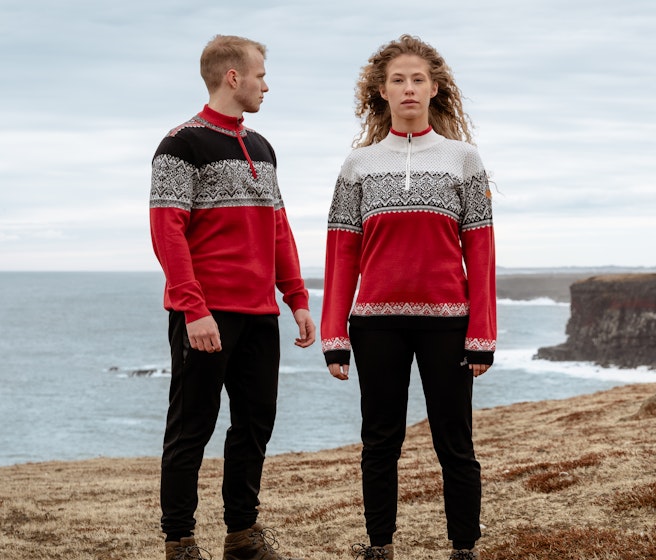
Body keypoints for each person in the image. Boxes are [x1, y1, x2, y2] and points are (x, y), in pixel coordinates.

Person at [321, 35, 495, 560]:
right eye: (398, 79)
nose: (409, 88)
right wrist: (334, 335)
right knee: (379, 444)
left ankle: (463, 548)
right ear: (381, 92)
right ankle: (380, 547)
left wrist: (482, 334)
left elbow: (482, 253)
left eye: (418, 78)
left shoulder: (464, 160)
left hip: (448, 323)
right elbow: (340, 256)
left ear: (435, 88)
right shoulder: (358, 165)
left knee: (455, 445)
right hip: (375, 325)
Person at [149, 34, 315, 560]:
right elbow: (167, 231)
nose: (267, 84)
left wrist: (297, 297)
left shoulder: (262, 148)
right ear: (233, 77)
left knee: (254, 427)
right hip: (205, 315)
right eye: (261, 74)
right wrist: (193, 309)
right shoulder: (180, 144)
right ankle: (179, 543)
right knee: (190, 429)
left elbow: (279, 228)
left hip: (259, 315)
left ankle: (242, 537)